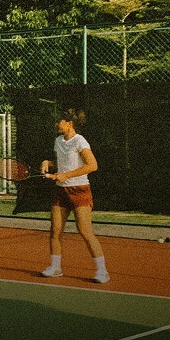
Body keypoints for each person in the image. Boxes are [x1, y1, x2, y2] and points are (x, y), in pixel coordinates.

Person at [39, 108, 109, 284]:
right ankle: (55, 267)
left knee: (85, 231)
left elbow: (92, 165)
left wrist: (67, 175)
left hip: (80, 190)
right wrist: (49, 163)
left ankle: (102, 271)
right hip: (60, 191)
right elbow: (64, 164)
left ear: (68, 123)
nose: (57, 124)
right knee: (55, 231)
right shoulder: (58, 141)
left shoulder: (80, 141)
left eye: (59, 121)